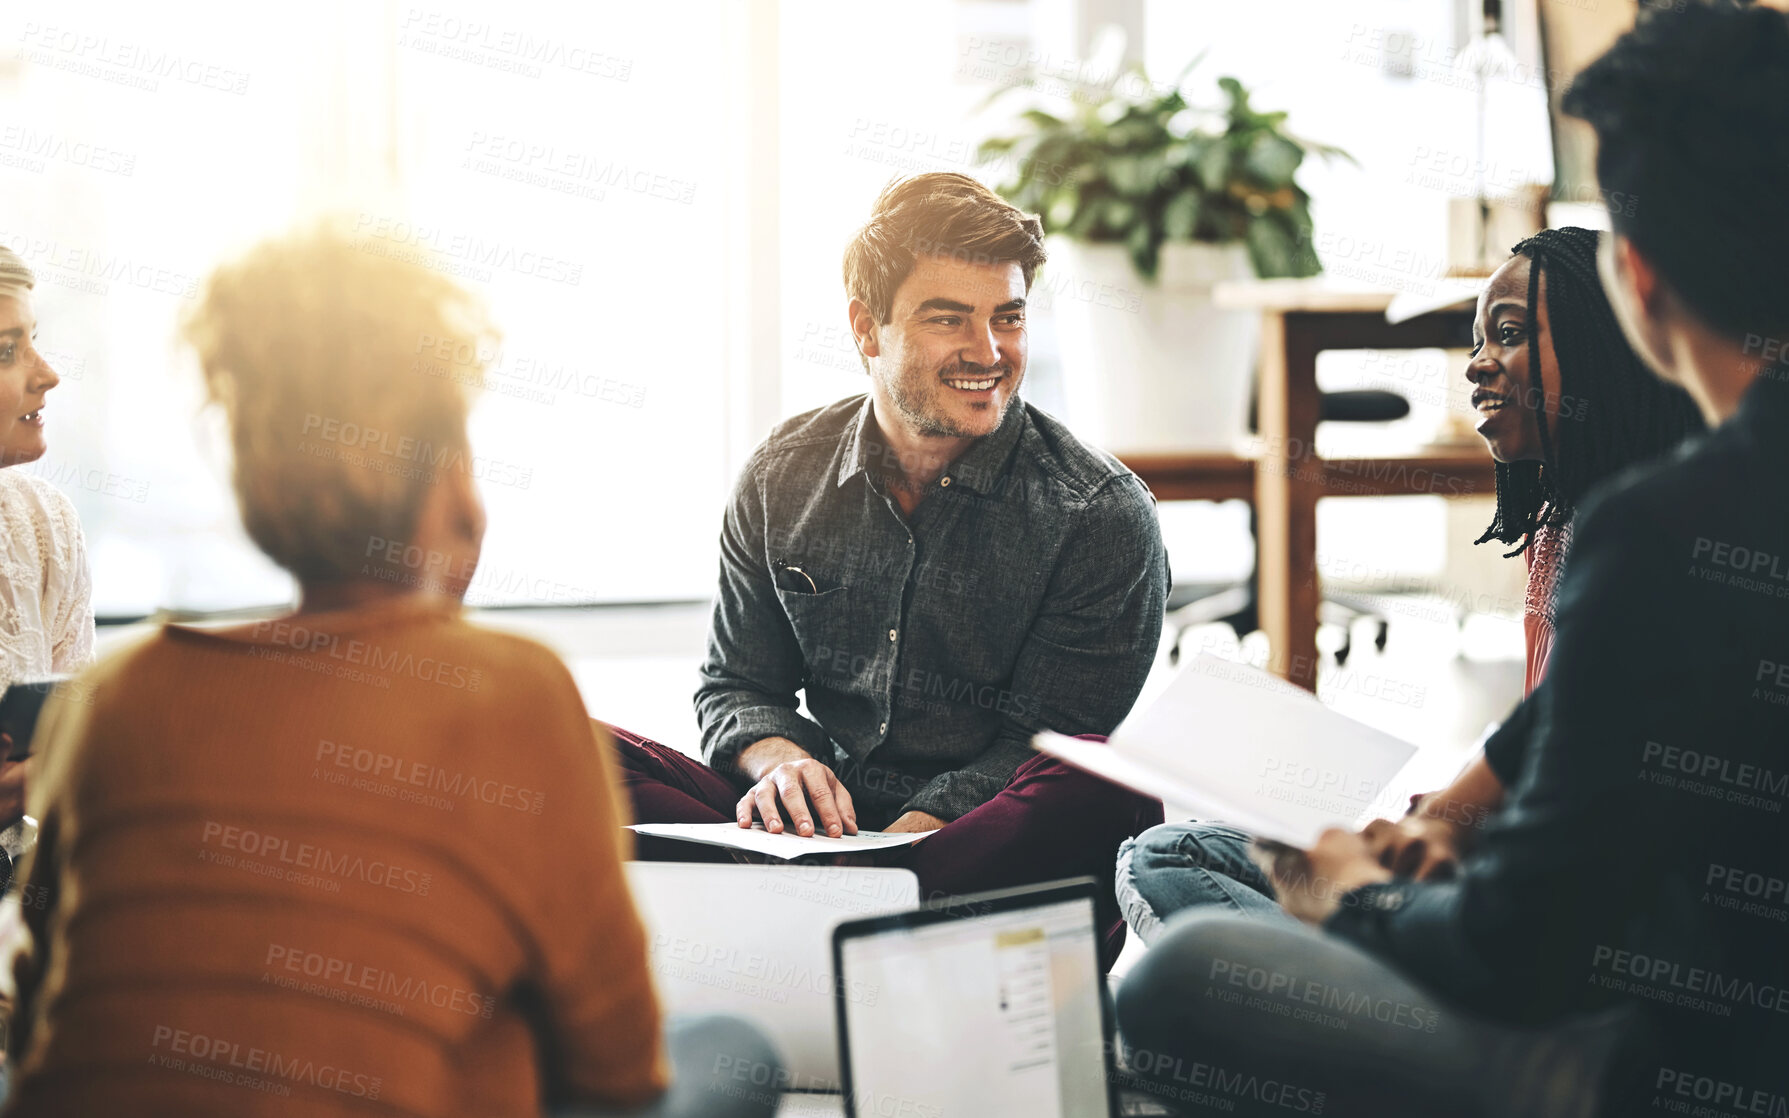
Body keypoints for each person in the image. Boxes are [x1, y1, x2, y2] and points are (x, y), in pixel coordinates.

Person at [1116, 5, 1789, 1116]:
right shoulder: (1659, 533)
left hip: (1667, 1065)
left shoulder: (1661, 531)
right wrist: (1429, 838)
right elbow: (1552, 747)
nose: (1482, 365)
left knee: (1178, 980)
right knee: (1209, 864)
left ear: (1637, 282)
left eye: (1511, 334)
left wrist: (1358, 899)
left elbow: (1515, 954)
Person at [2, 227, 780, 1118]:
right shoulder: (509, 691)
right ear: (447, 473)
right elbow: (617, 1068)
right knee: (726, 1049)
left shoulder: (112, 700)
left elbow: (37, 1034)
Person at [613, 172, 1169, 964]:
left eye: (1007, 319)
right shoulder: (782, 474)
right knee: (562, 745)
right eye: (950, 320)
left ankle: (802, 927)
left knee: (1104, 785)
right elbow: (735, 685)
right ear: (865, 329)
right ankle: (850, 930)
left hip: (974, 839)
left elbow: (1041, 744)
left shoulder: (1098, 514)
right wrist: (782, 765)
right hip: (814, 829)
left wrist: (892, 852)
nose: (988, 354)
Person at [1113, 227, 1704, 941]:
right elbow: (1535, 738)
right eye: (1476, 340)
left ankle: (1341, 971)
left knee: (1171, 866)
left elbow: (1573, 807)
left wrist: (1426, 847)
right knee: (1183, 849)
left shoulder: (1653, 547)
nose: (1477, 366)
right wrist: (1432, 818)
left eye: (1508, 333)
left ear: (1608, 345)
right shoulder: (1557, 529)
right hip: (1484, 868)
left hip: (1527, 919)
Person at [0, 245, 94, 834]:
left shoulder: (45, 528)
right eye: (7, 351)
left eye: (32, 339)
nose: (48, 375)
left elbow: (77, 755)